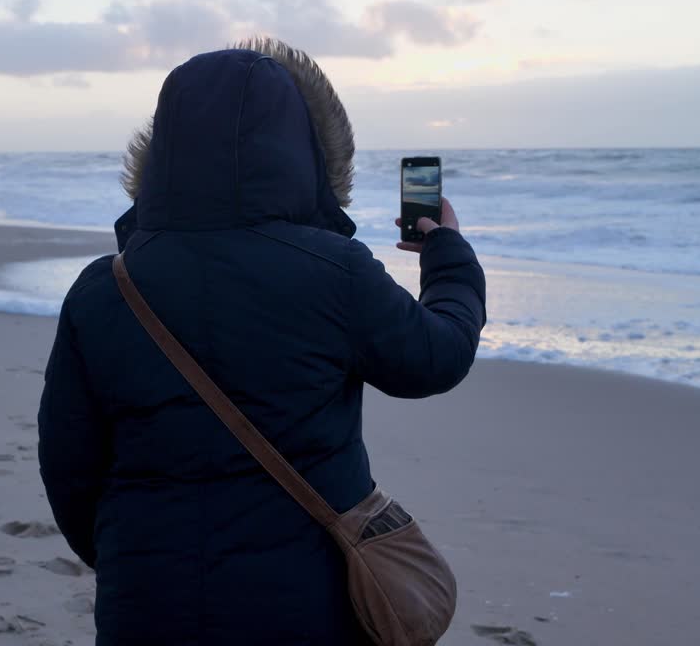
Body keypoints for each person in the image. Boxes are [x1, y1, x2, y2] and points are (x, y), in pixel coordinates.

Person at [38, 37, 486, 645]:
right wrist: (447, 254)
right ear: (306, 152)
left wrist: (129, 555)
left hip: (145, 606)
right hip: (306, 608)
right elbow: (437, 356)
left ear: (163, 149)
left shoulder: (103, 290)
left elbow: (68, 466)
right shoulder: (334, 271)